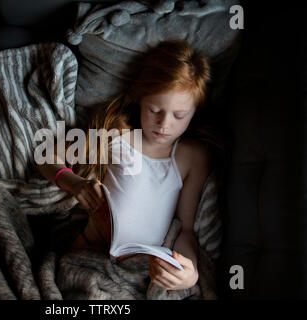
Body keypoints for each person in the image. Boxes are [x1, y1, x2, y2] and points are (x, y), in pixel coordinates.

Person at [36, 39, 213, 291]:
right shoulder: (117, 135)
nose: (164, 124)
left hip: (142, 268)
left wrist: (190, 273)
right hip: (88, 250)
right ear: (140, 100)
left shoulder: (192, 156)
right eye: (154, 110)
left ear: (194, 111)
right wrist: (74, 183)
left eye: (179, 115)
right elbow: (45, 156)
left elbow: (186, 231)